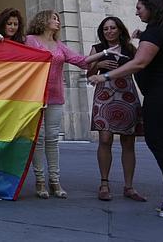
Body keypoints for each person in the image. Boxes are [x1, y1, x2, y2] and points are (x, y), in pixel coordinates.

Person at [89, 0, 163, 218]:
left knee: (161, 146)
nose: (137, 12)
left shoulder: (155, 30)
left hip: (162, 94)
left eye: (139, 8)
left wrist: (105, 77)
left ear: (151, 8)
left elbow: (140, 62)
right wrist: (142, 35)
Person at [25, 10, 118, 199]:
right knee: (39, 139)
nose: (57, 22)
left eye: (58, 19)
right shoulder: (31, 40)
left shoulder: (59, 45)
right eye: (54, 18)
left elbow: (81, 61)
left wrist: (105, 52)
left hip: (55, 96)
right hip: (35, 96)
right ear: (43, 21)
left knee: (52, 138)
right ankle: (40, 181)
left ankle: (55, 181)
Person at [86, 16, 145, 202]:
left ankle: (129, 186)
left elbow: (141, 67)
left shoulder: (129, 49)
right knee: (105, 138)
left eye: (112, 28)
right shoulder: (97, 49)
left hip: (126, 93)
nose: (109, 31)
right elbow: (88, 75)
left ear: (120, 29)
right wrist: (98, 64)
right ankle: (104, 184)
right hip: (104, 94)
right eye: (105, 29)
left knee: (128, 141)